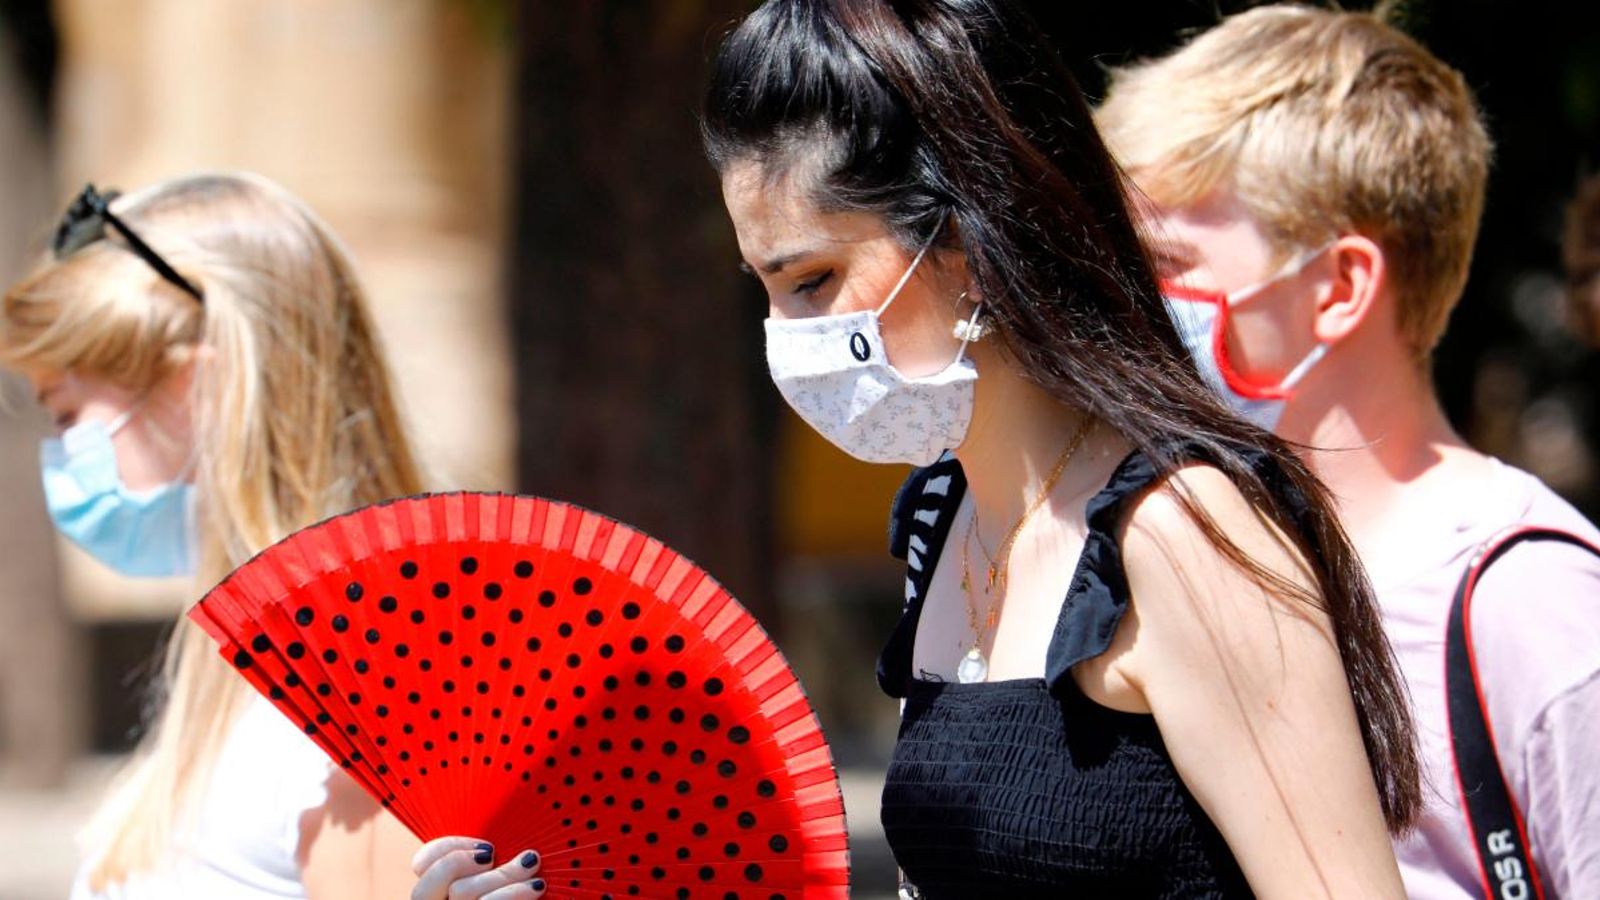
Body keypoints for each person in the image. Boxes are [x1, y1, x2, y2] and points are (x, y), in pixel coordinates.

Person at [414, 1, 1423, 897]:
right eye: (763, 289)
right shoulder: (946, 516)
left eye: (813, 281)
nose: (784, 334)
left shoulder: (1183, 532)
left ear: (968, 246)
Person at [1096, 6, 1600, 898]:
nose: (1129, 305)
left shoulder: (1533, 603)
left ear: (1338, 288)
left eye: (1164, 265)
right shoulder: (1174, 560)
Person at [0, 173, 426, 898]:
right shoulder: (238, 671)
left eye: (68, 414)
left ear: (198, 390)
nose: (62, 454)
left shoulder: (345, 702)